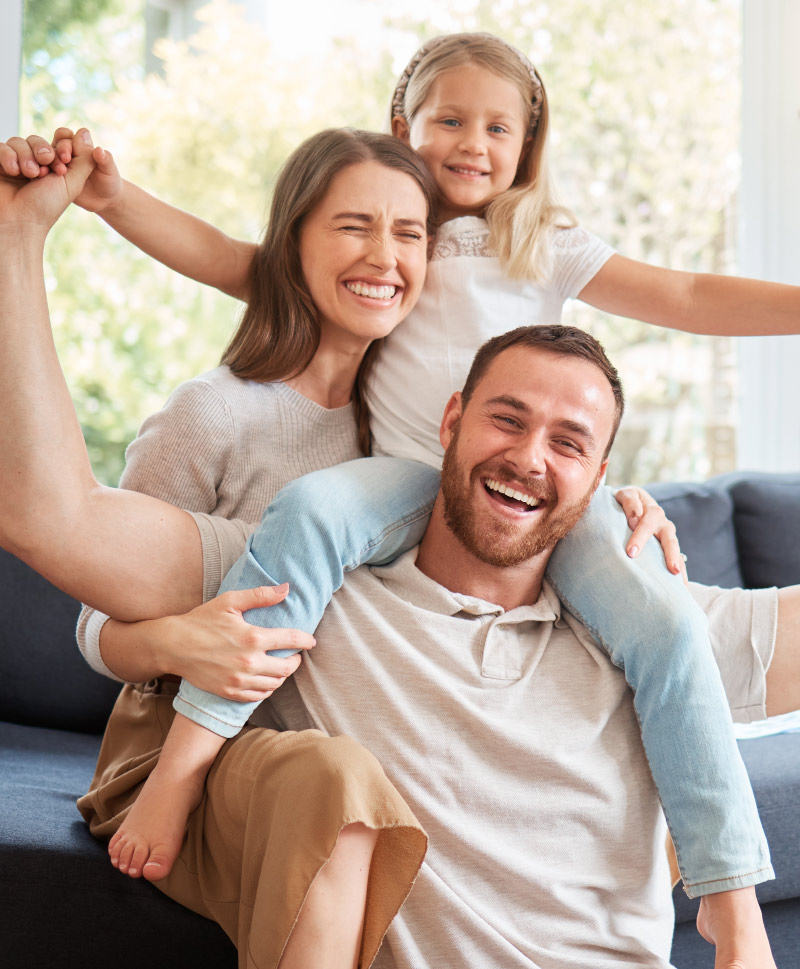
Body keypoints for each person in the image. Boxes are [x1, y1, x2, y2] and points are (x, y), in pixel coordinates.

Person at [8, 30, 797, 909]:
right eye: (450, 120)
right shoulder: (319, 330)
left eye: (501, 129)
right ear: (402, 124)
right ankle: (185, 766)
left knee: (666, 630)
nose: (474, 144)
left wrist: (605, 491)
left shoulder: (528, 247)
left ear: (529, 147)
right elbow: (229, 259)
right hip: (393, 515)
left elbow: (683, 296)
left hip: (502, 520)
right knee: (309, 518)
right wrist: (112, 200)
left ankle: (721, 881)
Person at [0, 125, 439, 969]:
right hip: (172, 747)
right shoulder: (216, 412)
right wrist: (176, 639)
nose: (384, 254)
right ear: (293, 241)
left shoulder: (409, 438)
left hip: (321, 735)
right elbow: (95, 621)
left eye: (409, 232)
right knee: (334, 779)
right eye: (353, 225)